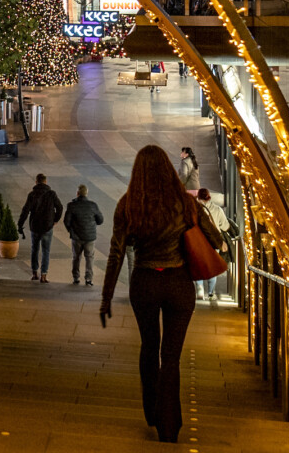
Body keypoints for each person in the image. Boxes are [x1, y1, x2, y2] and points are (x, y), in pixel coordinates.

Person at [100, 145, 224, 445]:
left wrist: (106, 297)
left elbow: (117, 253)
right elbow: (216, 239)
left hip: (145, 281)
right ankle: (170, 426)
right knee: (171, 356)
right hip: (179, 283)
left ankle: (152, 411)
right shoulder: (184, 203)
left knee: (149, 347)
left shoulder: (129, 204)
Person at [18, 173, 63, 283]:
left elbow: (25, 210)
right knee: (46, 251)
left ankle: (34, 273)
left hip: (35, 226)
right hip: (47, 226)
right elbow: (60, 207)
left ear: (36, 182)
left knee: (35, 249)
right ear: (45, 182)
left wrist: (20, 224)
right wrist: (55, 220)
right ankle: (44, 275)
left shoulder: (32, 194)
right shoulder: (52, 194)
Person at [63, 184, 103, 286]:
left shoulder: (72, 205)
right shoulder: (93, 205)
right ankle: (88, 279)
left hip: (76, 237)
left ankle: (76, 277)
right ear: (86, 193)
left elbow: (66, 221)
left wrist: (71, 231)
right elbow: (100, 220)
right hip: (90, 237)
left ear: (77, 193)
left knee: (76, 257)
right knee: (89, 257)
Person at [194, 188, 229, 302]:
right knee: (212, 266)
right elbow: (225, 226)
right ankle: (210, 292)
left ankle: (199, 289)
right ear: (209, 197)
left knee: (199, 265)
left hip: (199, 241)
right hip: (214, 242)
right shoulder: (217, 209)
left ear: (198, 197)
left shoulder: (194, 209)